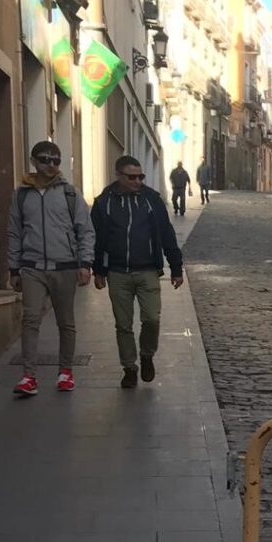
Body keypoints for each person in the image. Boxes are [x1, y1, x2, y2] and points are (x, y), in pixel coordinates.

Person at [8, 141, 94, 397]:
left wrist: (85, 263)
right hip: (32, 267)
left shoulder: (70, 193)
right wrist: (14, 268)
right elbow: (14, 232)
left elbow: (85, 230)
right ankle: (29, 376)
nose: (51, 165)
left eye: (56, 160)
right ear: (33, 161)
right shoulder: (21, 195)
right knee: (30, 320)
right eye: (45, 160)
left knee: (65, 322)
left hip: (65, 266)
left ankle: (65, 372)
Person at [91, 156, 183, 389]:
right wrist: (98, 270)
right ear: (119, 176)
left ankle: (147, 354)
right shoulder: (104, 202)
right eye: (132, 177)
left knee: (152, 318)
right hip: (117, 272)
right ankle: (129, 368)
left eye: (140, 176)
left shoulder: (152, 200)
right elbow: (97, 239)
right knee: (123, 324)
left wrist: (176, 267)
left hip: (147, 270)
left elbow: (166, 233)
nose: (137, 181)